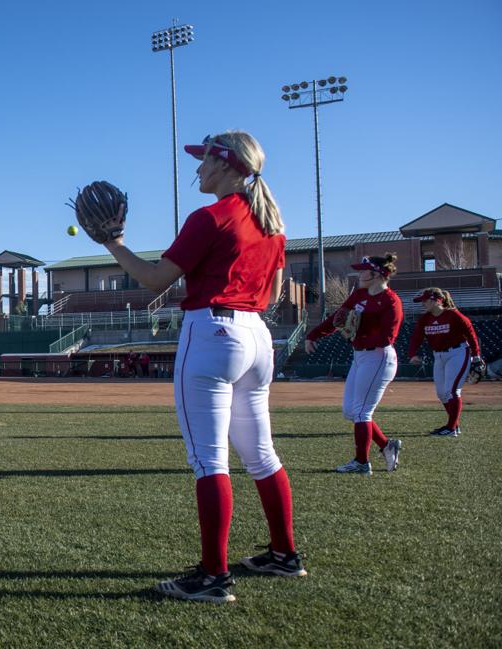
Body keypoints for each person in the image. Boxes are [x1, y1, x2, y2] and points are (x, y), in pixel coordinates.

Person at [92, 131, 304, 603]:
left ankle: (213, 577)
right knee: (262, 455)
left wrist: (114, 243)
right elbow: (271, 295)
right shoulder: (273, 225)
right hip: (257, 335)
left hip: (212, 333)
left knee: (209, 460)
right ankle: (285, 555)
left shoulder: (209, 216)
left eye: (205, 160)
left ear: (226, 166)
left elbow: (154, 281)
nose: (198, 168)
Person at [305, 254, 404, 474]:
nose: (359, 274)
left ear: (377, 274)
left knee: (361, 412)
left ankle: (361, 462)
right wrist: (314, 334)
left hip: (379, 357)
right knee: (351, 411)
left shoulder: (391, 301)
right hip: (360, 356)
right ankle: (387, 445)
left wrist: (356, 334)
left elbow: (388, 337)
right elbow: (336, 319)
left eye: (363, 270)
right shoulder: (359, 294)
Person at [405, 287, 482, 437]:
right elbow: (416, 338)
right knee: (441, 393)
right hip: (439, 356)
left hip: (458, 353)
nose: (423, 304)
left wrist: (477, 357)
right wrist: (412, 354)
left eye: (425, 300)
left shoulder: (453, 315)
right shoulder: (425, 319)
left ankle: (451, 428)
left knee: (451, 391)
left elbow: (471, 335)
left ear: (436, 300)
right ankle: (454, 424)